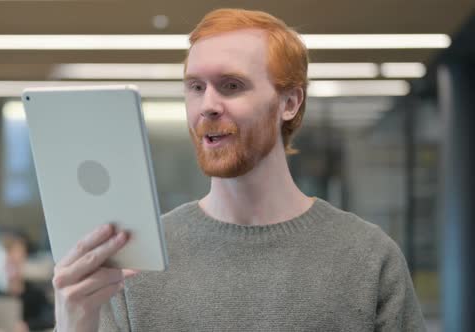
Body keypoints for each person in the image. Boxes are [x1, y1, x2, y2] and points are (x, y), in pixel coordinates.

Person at [52, 8, 426, 332]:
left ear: (290, 103)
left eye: (231, 86)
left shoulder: (367, 257)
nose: (207, 106)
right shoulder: (137, 261)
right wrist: (72, 324)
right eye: (196, 87)